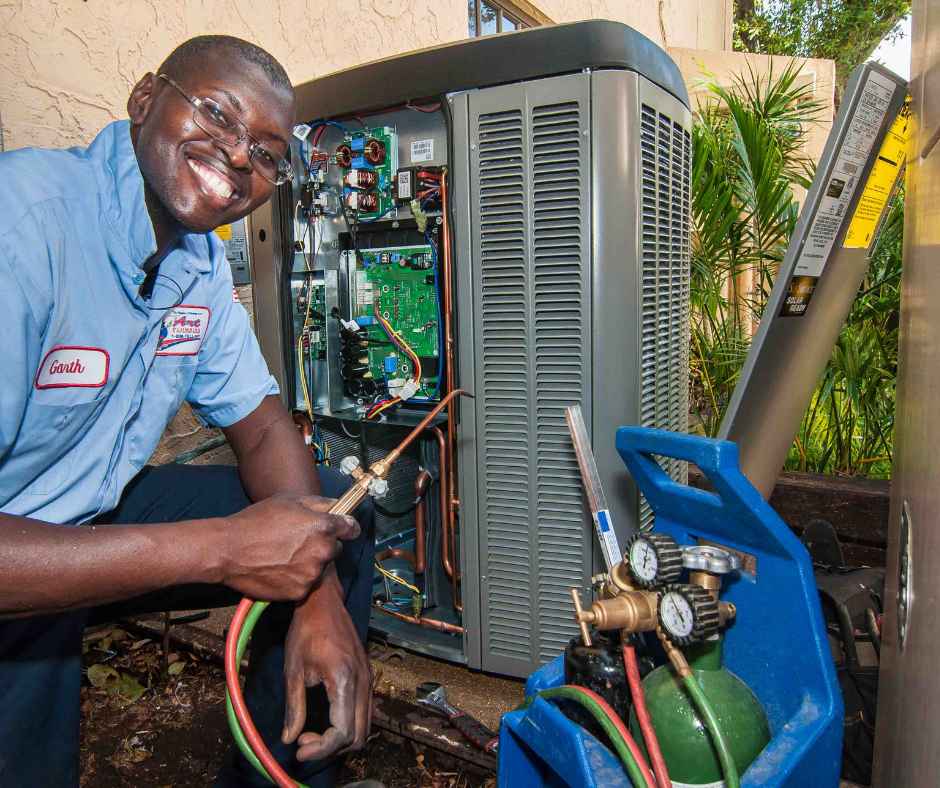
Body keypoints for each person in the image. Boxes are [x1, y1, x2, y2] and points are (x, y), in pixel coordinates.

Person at [0, 35, 376, 787]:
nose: (240, 158)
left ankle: (282, 773)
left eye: (268, 153)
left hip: (85, 509)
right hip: (17, 544)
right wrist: (226, 549)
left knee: (334, 519)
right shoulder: (23, 227)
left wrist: (315, 590)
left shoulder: (196, 266)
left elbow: (264, 425)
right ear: (145, 100)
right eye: (217, 114)